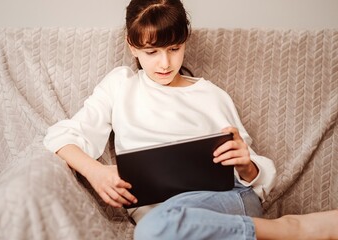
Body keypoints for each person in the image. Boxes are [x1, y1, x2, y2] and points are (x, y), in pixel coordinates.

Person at [44, 0, 338, 239]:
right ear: (132, 46)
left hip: (228, 199)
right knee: (155, 226)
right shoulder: (120, 85)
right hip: (166, 218)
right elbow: (62, 137)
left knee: (151, 231)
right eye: (152, 51)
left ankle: (291, 230)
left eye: (174, 49)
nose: (165, 63)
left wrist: (246, 164)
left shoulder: (209, 94)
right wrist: (96, 172)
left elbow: (255, 178)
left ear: (185, 41)